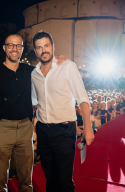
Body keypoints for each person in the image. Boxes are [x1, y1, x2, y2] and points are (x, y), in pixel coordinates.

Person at [0, 34, 67, 192]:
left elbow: (49, 72)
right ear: (4, 48)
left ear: (22, 49)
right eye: (11, 45)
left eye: (18, 46)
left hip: (25, 127)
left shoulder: (31, 71)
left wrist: (58, 60)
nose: (14, 48)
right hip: (2, 127)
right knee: (0, 178)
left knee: (26, 176)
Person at [31, 31, 94, 192]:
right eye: (39, 47)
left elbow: (82, 98)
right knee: (50, 178)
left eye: (46, 45)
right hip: (43, 131)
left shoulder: (67, 66)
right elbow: (34, 102)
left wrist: (87, 128)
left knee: (64, 180)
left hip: (64, 130)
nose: (43, 50)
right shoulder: (33, 74)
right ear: (35, 51)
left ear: (53, 47)